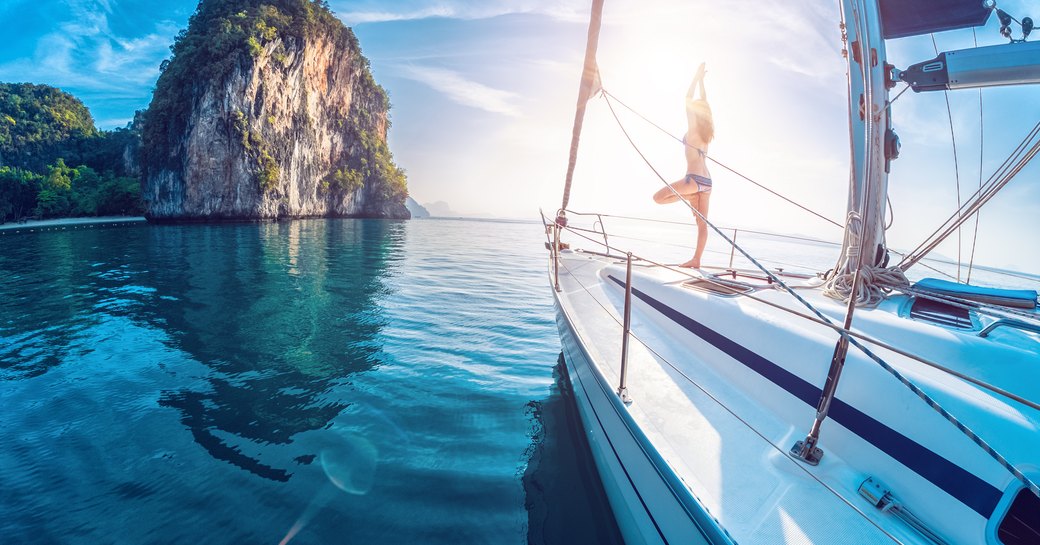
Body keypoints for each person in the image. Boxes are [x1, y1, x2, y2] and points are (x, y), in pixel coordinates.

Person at [653, 63, 714, 268]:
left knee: (659, 198)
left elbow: (688, 98)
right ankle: (696, 260)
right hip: (707, 182)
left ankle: (687, 196)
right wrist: (702, 82)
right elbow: (704, 102)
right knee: (701, 224)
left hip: (694, 180)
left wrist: (696, 79)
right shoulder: (707, 132)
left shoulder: (694, 127)